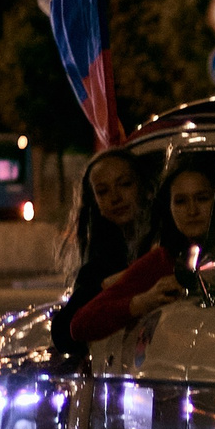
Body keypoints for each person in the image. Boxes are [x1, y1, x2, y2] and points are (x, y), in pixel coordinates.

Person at [67, 153, 215, 345]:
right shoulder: (164, 260)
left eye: (202, 198)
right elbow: (79, 324)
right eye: (180, 201)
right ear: (169, 206)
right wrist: (143, 301)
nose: (192, 210)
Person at [50, 149, 148, 358]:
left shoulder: (167, 243)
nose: (115, 197)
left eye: (125, 184)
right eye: (103, 191)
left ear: (144, 186)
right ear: (95, 203)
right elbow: (64, 333)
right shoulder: (100, 265)